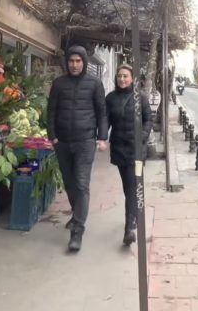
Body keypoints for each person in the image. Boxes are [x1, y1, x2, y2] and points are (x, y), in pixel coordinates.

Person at [47, 45, 108, 252]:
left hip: (85, 142)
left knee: (82, 184)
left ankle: (77, 231)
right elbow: (51, 111)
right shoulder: (58, 84)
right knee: (70, 183)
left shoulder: (95, 84)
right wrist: (52, 136)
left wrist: (102, 137)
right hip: (62, 142)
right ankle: (77, 214)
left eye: (78, 61)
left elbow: (102, 112)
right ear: (68, 63)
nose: (75, 65)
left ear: (84, 62)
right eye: (71, 61)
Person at [105, 64, 152, 246]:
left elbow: (148, 118)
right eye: (119, 76)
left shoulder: (141, 99)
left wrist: (143, 135)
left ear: (132, 78)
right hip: (119, 148)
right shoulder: (110, 98)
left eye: (125, 76)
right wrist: (100, 137)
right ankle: (135, 214)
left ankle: (129, 228)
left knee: (132, 186)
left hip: (137, 150)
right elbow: (106, 121)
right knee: (128, 187)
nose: (122, 79)